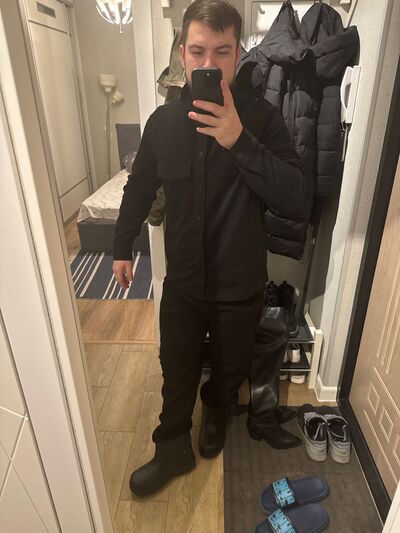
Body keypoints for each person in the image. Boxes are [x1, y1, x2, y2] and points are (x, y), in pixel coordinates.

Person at [112, 0, 311, 497]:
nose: (209, 64)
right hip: (182, 282)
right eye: (198, 51)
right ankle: (171, 447)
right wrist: (120, 247)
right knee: (175, 369)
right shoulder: (162, 123)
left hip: (238, 284)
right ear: (182, 53)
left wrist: (240, 141)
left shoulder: (262, 120)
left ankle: (218, 411)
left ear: (238, 54)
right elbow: (139, 188)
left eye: (222, 52)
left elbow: (296, 198)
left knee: (228, 368)